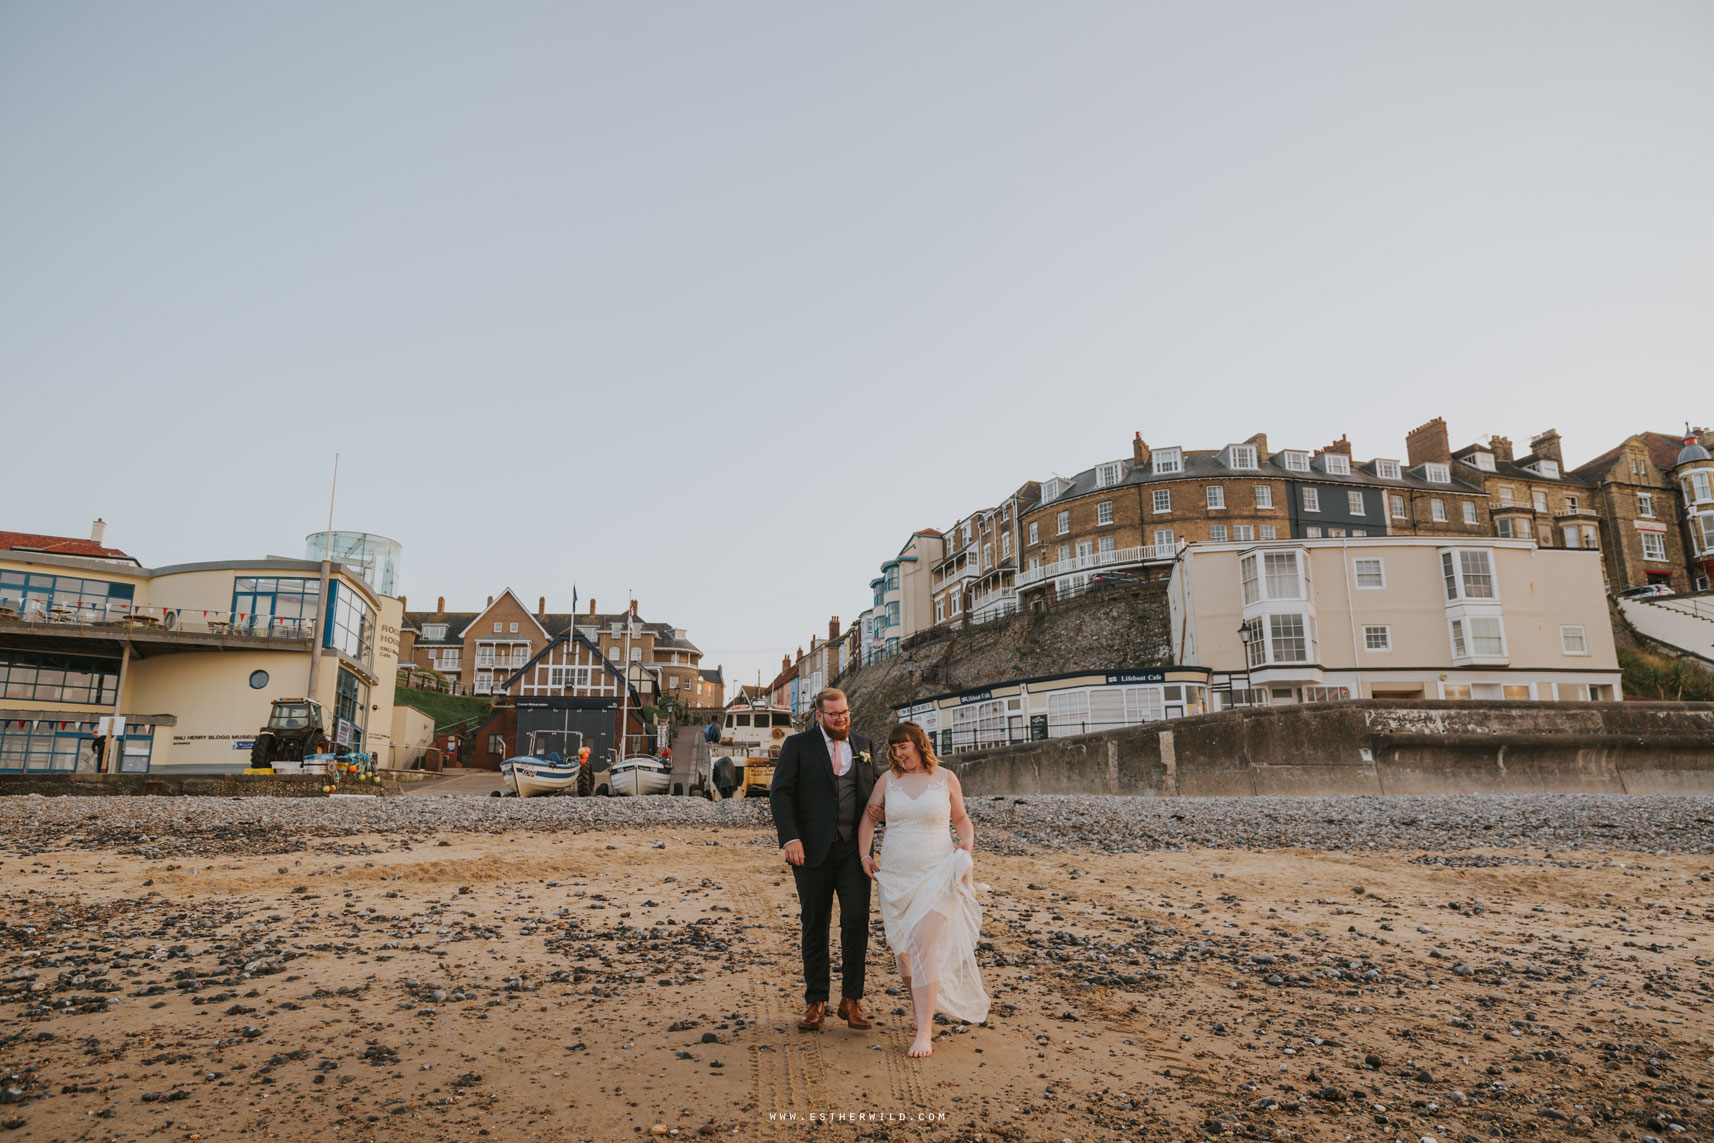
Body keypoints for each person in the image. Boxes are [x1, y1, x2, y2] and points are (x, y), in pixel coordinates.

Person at [858, 720, 989, 1058]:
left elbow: (961, 819)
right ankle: (919, 1010)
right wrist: (864, 855)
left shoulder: (946, 779)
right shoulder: (889, 781)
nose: (898, 754)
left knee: (921, 942)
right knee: (903, 951)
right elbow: (869, 818)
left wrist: (967, 844)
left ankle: (925, 1033)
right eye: (894, 748)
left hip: (937, 872)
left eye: (903, 747)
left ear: (918, 744)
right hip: (897, 877)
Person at [768, 687, 879, 1032]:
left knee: (857, 921)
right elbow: (780, 792)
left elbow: (877, 793)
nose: (841, 719)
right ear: (820, 716)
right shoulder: (798, 746)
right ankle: (816, 1001)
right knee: (815, 924)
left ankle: (852, 1000)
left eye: (845, 713)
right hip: (810, 851)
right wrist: (790, 837)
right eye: (834, 715)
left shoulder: (864, 746)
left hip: (853, 852)